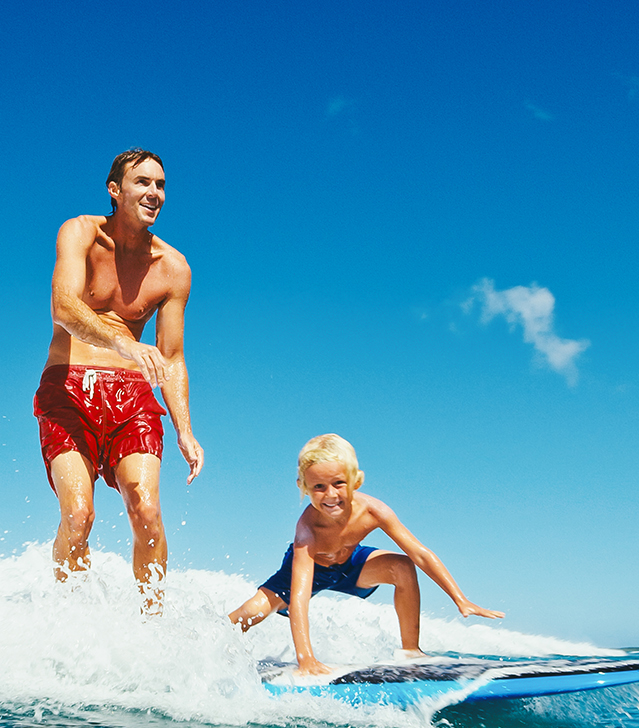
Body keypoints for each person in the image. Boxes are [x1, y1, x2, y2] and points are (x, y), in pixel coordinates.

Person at [35, 148, 204, 609]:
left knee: (147, 510)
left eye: (161, 185)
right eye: (143, 182)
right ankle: (67, 616)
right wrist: (124, 342)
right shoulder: (81, 234)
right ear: (115, 190)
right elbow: (64, 308)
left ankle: (154, 624)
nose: (155, 193)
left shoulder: (173, 268)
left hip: (132, 396)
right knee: (79, 515)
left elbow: (171, 357)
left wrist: (185, 429)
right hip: (69, 388)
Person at [228, 434, 503, 675]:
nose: (330, 495)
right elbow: (299, 597)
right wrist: (306, 660)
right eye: (318, 487)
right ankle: (207, 642)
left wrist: (460, 599)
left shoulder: (374, 511)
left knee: (402, 566)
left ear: (355, 480)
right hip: (306, 570)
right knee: (251, 613)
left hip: (350, 564)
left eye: (338, 483)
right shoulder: (307, 528)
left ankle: (411, 652)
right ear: (303, 487)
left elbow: (419, 553)